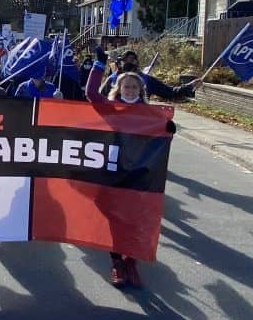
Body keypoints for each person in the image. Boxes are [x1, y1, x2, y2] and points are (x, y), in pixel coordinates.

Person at [85, 48, 154, 288]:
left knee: (135, 219)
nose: (131, 90)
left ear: (140, 91)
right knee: (114, 218)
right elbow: (92, 93)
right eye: (126, 87)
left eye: (135, 88)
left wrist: (169, 129)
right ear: (119, 89)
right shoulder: (110, 107)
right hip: (113, 171)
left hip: (138, 174)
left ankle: (130, 262)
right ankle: (117, 263)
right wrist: (98, 64)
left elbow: (161, 135)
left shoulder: (149, 113)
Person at [120, 49, 203, 100]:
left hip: (140, 123)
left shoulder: (147, 80)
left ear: (136, 63)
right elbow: (106, 102)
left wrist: (190, 86)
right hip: (116, 124)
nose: (127, 63)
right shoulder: (113, 79)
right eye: (124, 61)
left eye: (130, 60)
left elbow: (170, 92)